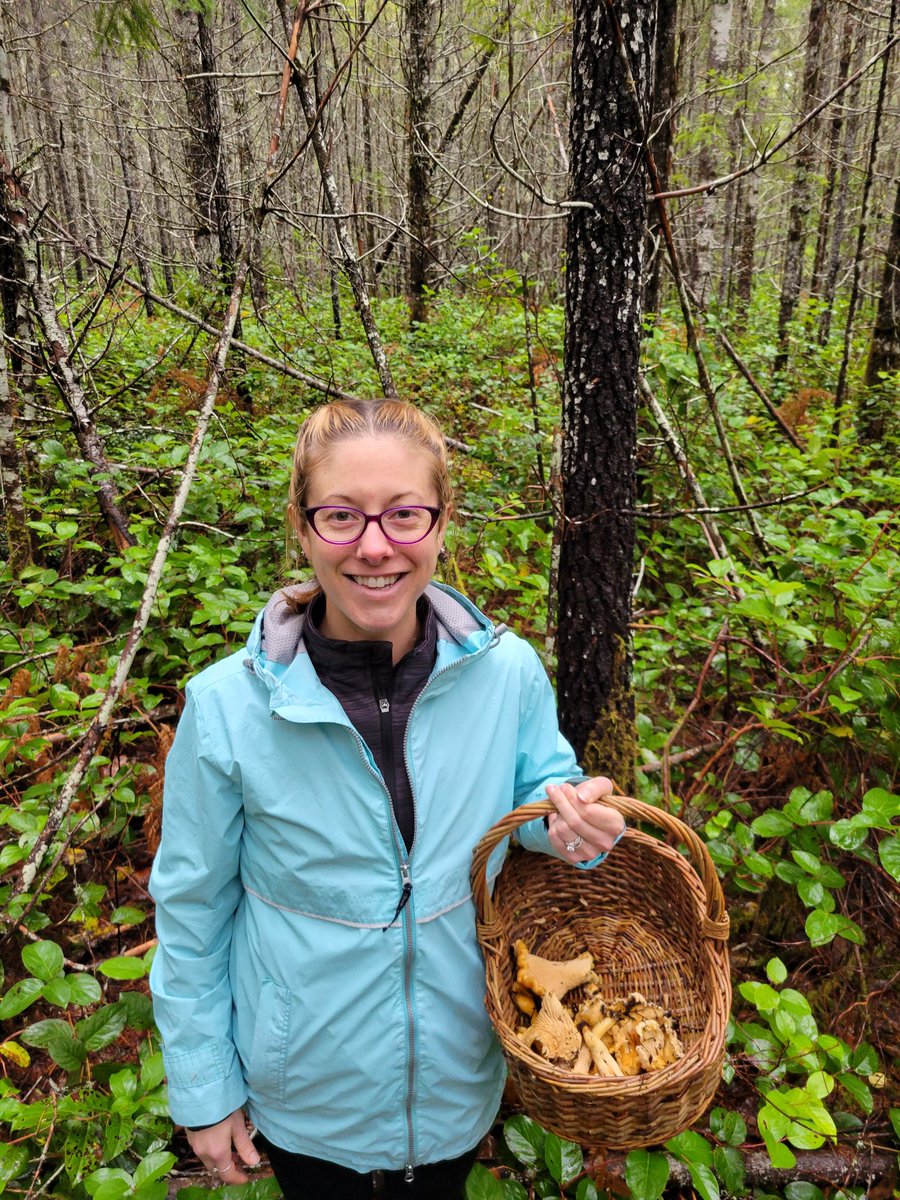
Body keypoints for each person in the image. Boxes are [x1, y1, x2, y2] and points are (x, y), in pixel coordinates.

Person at [149, 398, 627, 1200]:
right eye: (341, 515)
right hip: (305, 1100)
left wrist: (571, 827)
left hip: (456, 1080)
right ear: (302, 528)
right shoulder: (228, 708)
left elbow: (537, 802)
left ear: (441, 524)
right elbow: (192, 912)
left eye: (405, 515)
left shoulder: (506, 676)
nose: (375, 546)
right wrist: (205, 1090)